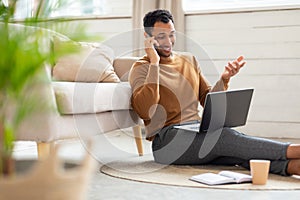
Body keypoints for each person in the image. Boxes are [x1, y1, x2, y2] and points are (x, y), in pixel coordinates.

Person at [129, 9, 300, 176]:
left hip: (197, 131)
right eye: (160, 37)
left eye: (171, 34)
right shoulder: (141, 68)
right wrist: (154, 63)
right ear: (148, 38)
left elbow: (207, 99)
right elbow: (146, 110)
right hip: (167, 141)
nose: (168, 41)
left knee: (235, 151)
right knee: (222, 137)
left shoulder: (189, 60)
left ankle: (293, 167)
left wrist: (225, 79)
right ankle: (293, 150)